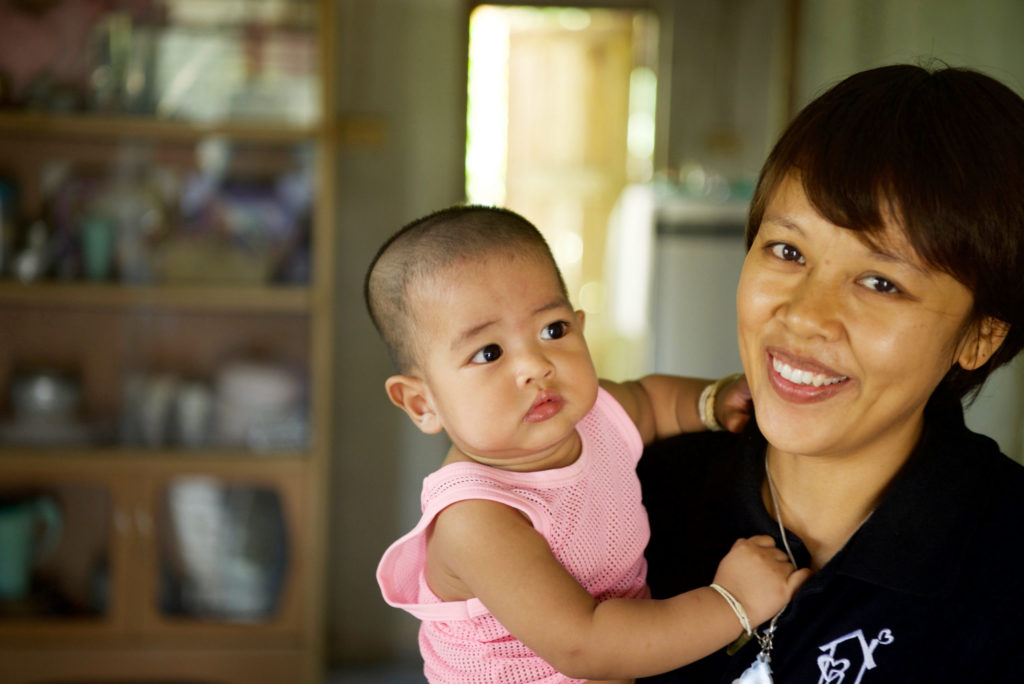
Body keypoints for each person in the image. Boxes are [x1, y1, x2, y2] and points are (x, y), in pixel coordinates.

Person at [637, 62, 1024, 683]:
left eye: (881, 282)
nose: (804, 316)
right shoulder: (635, 499)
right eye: (787, 251)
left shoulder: (1008, 575)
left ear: (980, 335)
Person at [365, 205, 809, 683]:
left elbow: (650, 400)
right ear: (421, 402)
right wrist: (733, 603)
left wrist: (711, 400)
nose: (535, 364)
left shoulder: (594, 415)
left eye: (553, 330)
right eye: (488, 352)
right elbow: (586, 644)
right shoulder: (478, 517)